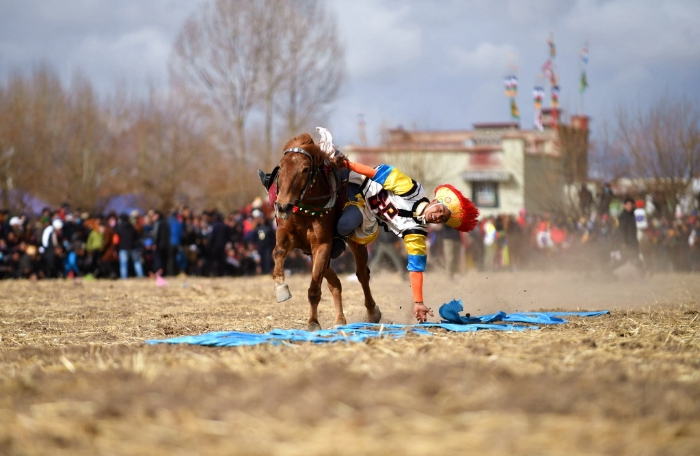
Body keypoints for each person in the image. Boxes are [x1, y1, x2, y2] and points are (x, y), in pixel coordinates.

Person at [334, 158, 479, 323]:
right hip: (358, 182)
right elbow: (376, 173)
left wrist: (418, 302)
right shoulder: (411, 190)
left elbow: (416, 267)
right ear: (434, 202)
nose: (438, 216)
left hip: (364, 211)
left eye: (442, 218)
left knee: (345, 224)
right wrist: (348, 165)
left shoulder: (416, 232)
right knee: (324, 169)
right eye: (440, 210)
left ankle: (333, 241)